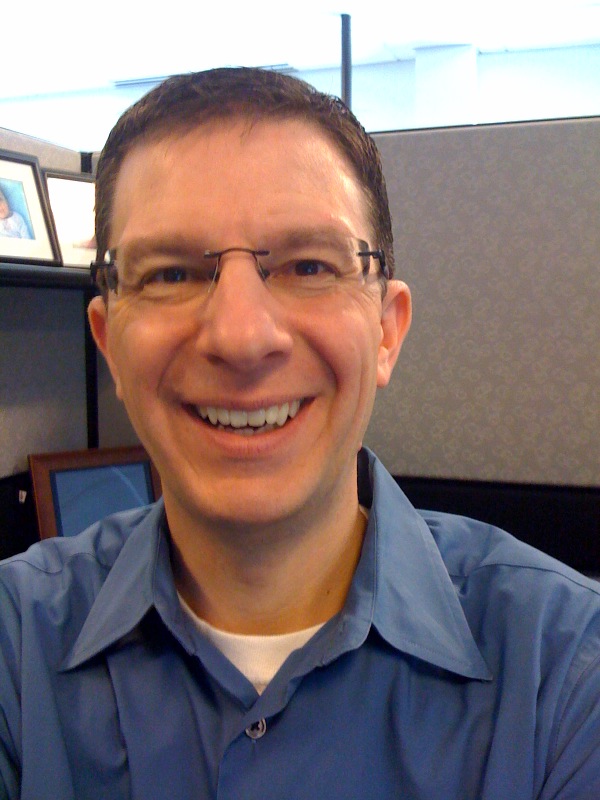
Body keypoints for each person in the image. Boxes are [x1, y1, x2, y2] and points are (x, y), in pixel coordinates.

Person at [1, 67, 599, 800]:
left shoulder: (566, 674)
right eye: (171, 274)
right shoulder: (15, 648)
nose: (242, 337)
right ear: (109, 346)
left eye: (309, 265)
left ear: (387, 331)